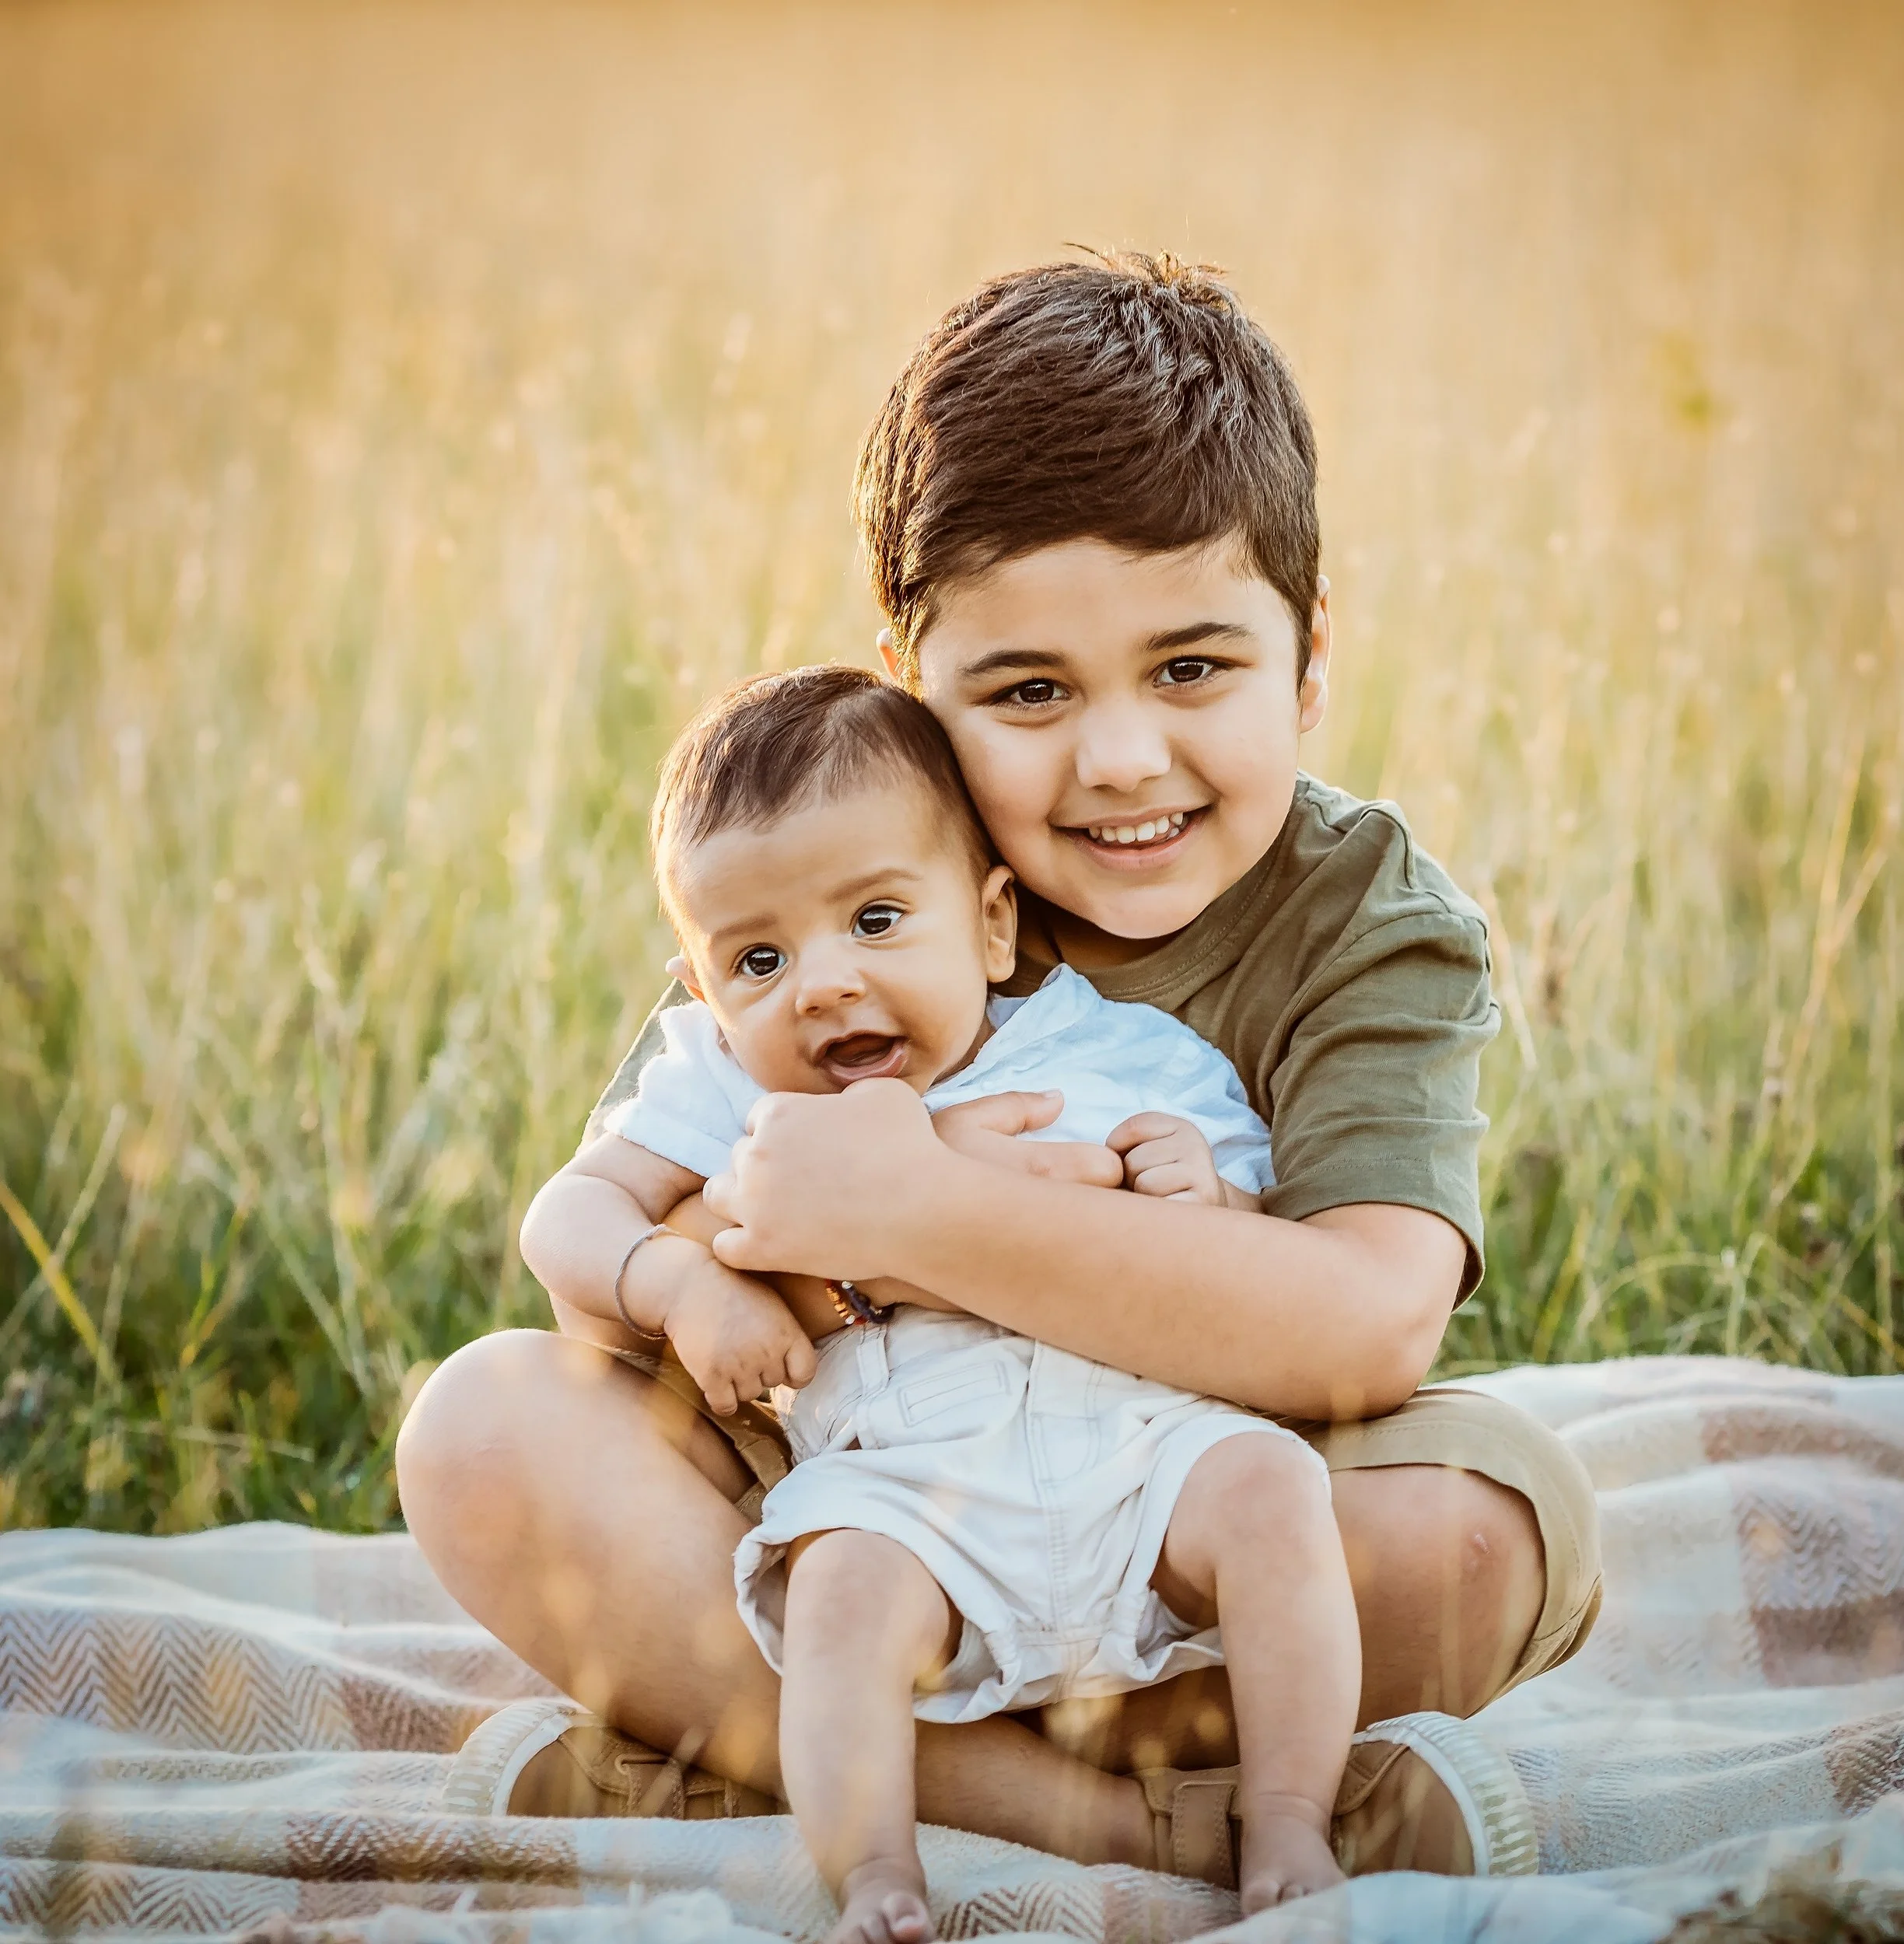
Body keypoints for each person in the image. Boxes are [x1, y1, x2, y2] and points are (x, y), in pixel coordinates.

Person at [398, 251, 1601, 1888]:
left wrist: (917, 1211)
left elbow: (1368, 1322)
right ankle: (1125, 1824)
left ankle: (745, 1754)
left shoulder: (1367, 918)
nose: (1117, 758)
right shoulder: (838, 884)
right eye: (1027, 690)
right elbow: (621, 1278)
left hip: (1179, 1496)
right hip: (862, 1492)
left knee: (1475, 1538)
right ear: (916, 691)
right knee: (479, 1430)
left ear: (1307, 658)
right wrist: (721, 1268)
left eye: (1191, 667)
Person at [520, 665, 1359, 1940]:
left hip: (1140, 1457)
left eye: (874, 921)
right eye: (757, 957)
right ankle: (877, 1879)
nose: (820, 984)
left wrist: (1213, 1202)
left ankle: (1291, 1827)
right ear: (699, 993)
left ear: (991, 924)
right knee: (837, 1603)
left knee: (1276, 1495)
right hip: (907, 1495)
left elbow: (1267, 1261)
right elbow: (565, 1221)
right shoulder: (720, 1082)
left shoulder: (1114, 1050)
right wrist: (676, 1278)